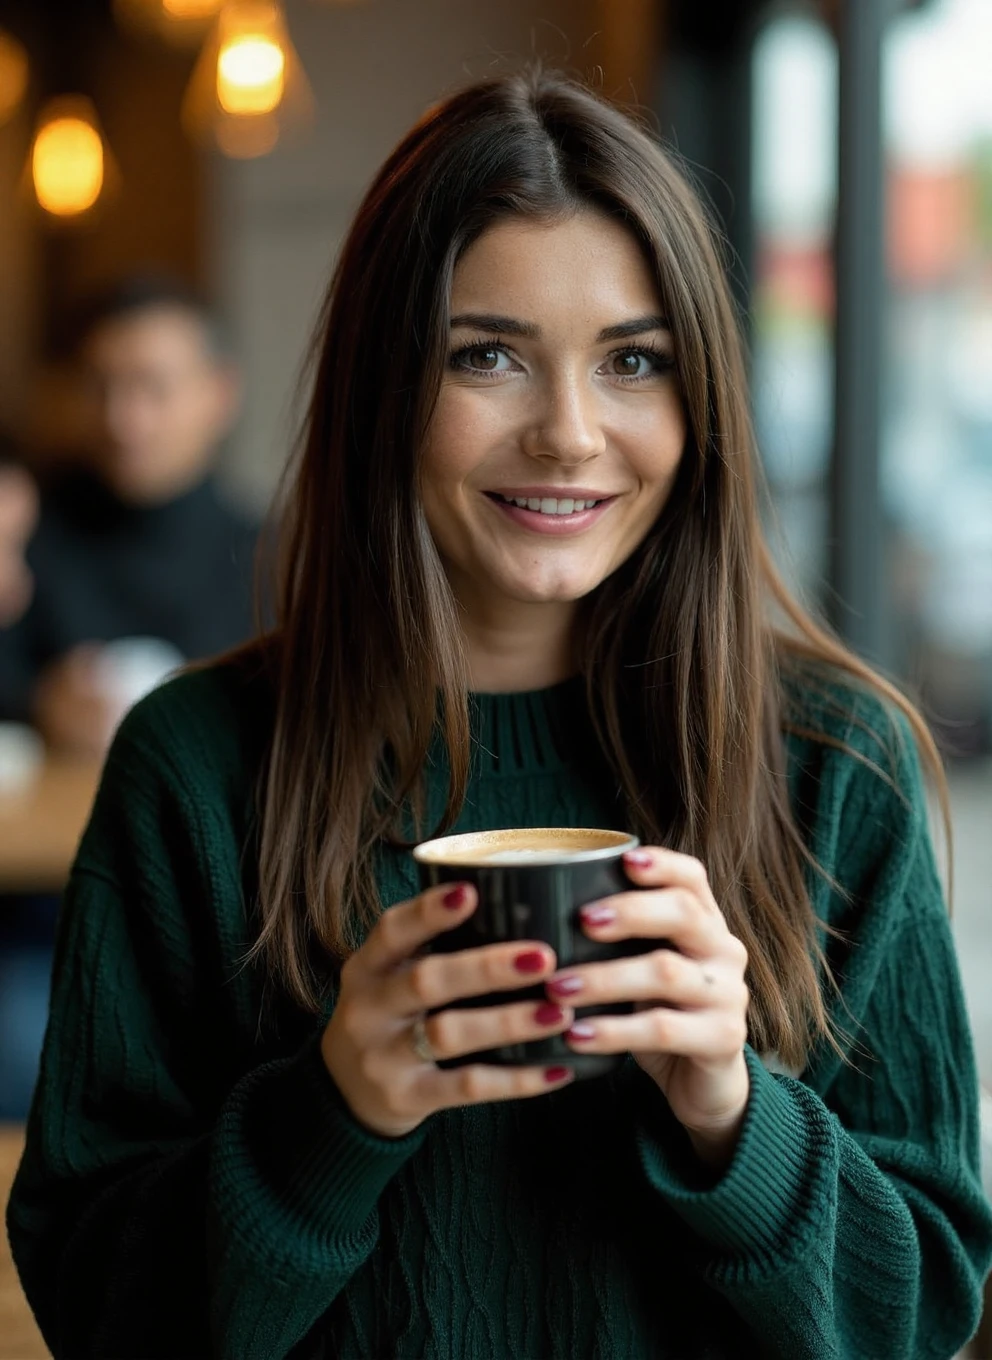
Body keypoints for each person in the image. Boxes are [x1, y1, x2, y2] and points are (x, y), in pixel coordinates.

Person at [7, 69, 992, 1359]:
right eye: (487, 356)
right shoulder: (195, 764)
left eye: (634, 361)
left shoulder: (833, 761)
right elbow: (91, 1307)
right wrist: (331, 1114)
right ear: (382, 388)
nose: (571, 433)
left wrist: (733, 1112)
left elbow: (921, 1309)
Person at [0, 275, 257, 757]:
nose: (123, 420)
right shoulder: (23, 534)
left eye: (153, 388)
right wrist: (40, 703)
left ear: (219, 395)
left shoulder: (276, 556)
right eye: (101, 387)